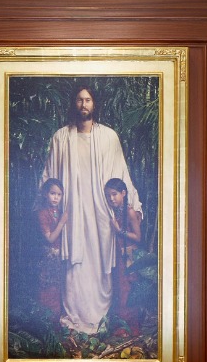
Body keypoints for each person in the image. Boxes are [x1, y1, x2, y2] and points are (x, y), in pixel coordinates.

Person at [39, 84, 141, 334]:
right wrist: (48, 208)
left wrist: (133, 206)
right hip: (72, 210)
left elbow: (121, 174)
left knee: (100, 258)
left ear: (95, 104)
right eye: (79, 100)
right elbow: (50, 177)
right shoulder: (61, 137)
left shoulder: (109, 137)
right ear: (73, 104)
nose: (83, 104)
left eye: (88, 100)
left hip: (101, 213)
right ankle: (75, 314)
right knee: (76, 261)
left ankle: (101, 316)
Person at [104, 177, 144, 334]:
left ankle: (131, 327)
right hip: (120, 256)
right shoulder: (116, 211)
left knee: (127, 289)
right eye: (108, 196)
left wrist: (118, 230)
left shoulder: (129, 212)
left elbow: (138, 237)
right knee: (120, 289)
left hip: (129, 256)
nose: (111, 198)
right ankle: (122, 325)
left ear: (123, 193)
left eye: (114, 194)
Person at [34, 177, 68, 321]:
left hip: (58, 256)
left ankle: (55, 321)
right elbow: (50, 238)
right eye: (52, 193)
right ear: (45, 194)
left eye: (59, 195)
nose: (56, 197)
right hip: (48, 257)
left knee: (57, 288)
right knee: (48, 288)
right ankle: (46, 322)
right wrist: (62, 222)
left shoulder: (57, 211)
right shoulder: (42, 212)